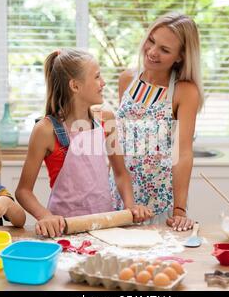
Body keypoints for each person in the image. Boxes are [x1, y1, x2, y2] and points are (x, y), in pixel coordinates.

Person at [15, 48, 153, 238]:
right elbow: (23, 191)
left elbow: (121, 174)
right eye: (97, 77)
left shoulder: (106, 120)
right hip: (64, 230)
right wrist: (46, 216)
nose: (103, 83)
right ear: (75, 86)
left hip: (106, 227)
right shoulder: (46, 130)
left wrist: (130, 208)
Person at [110, 12, 204, 231]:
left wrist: (179, 210)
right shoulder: (127, 79)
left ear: (180, 56)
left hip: (159, 202)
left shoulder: (185, 91)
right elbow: (118, 141)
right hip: (121, 195)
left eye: (165, 49)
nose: (152, 52)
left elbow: (183, 153)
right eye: (151, 41)